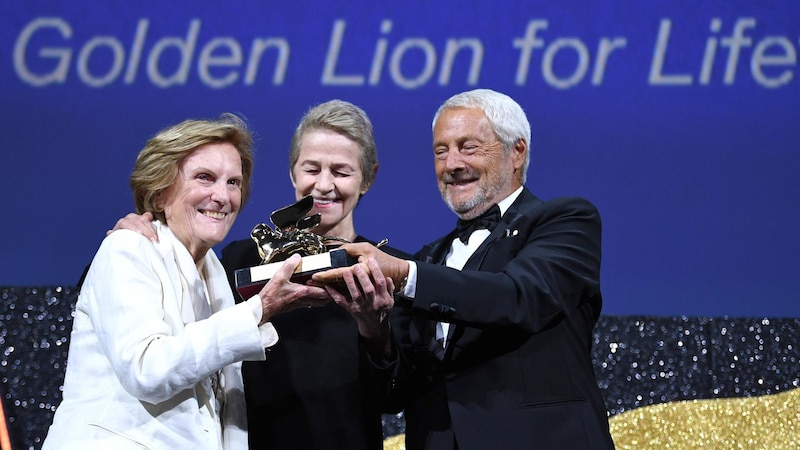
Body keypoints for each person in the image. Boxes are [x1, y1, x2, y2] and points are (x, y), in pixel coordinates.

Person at [313, 89, 615, 450]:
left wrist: (407, 275)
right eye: (441, 151)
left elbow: (517, 298)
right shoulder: (430, 258)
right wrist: (372, 327)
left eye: (468, 147)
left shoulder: (565, 221)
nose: (452, 164)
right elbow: (394, 394)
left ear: (516, 152)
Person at [108, 100, 410, 450]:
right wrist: (137, 234)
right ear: (292, 172)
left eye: (341, 172)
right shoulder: (238, 259)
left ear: (368, 178)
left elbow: (396, 398)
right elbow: (137, 299)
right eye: (312, 169)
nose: (324, 185)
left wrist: (374, 328)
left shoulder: (387, 270)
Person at [43, 114, 334, 449]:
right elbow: (147, 370)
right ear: (162, 190)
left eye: (233, 183)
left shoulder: (214, 274)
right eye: (205, 178)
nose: (223, 196)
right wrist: (259, 310)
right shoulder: (129, 248)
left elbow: (224, 410)